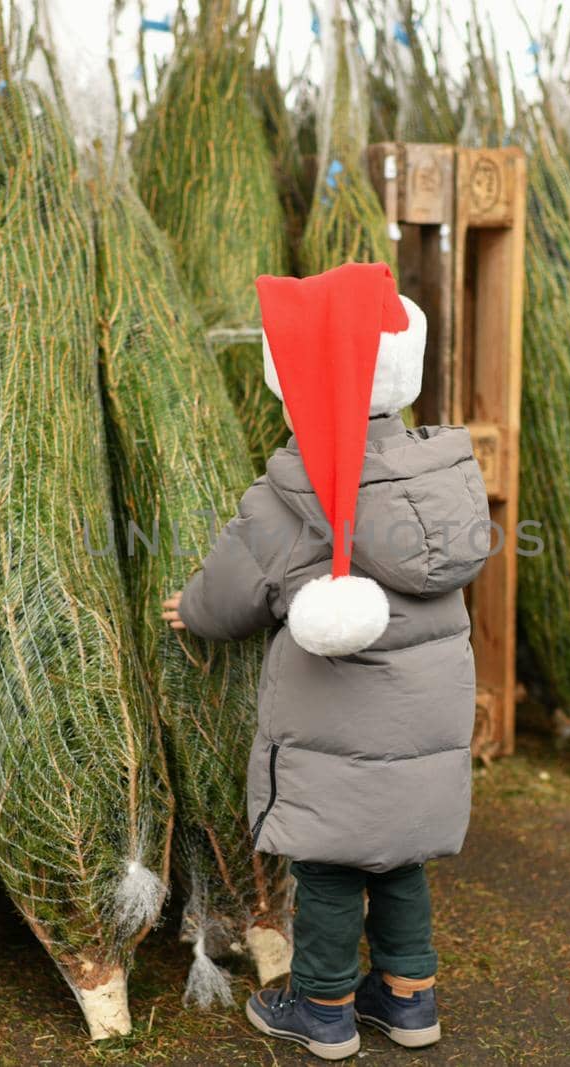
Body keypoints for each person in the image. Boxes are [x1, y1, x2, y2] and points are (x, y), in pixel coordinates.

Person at [161, 262, 490, 1060]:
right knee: (401, 858)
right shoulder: (443, 476)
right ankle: (412, 1000)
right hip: (429, 721)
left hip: (341, 726)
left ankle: (323, 1007)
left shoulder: (293, 493)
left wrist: (191, 609)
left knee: (335, 867)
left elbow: (233, 593)